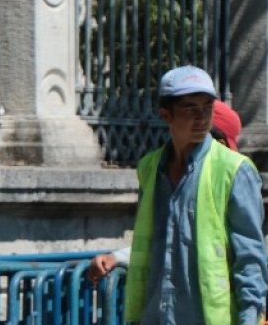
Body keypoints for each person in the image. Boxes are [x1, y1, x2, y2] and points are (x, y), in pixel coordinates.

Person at [113, 66, 268, 325]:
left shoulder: (234, 169)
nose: (201, 118)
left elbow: (250, 249)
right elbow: (150, 246)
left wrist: (250, 315)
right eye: (190, 108)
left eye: (206, 108)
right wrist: (139, 318)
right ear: (166, 114)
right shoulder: (150, 168)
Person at [87, 98, 244, 282]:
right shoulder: (160, 176)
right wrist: (116, 258)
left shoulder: (232, 183)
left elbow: (245, 256)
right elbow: (162, 244)